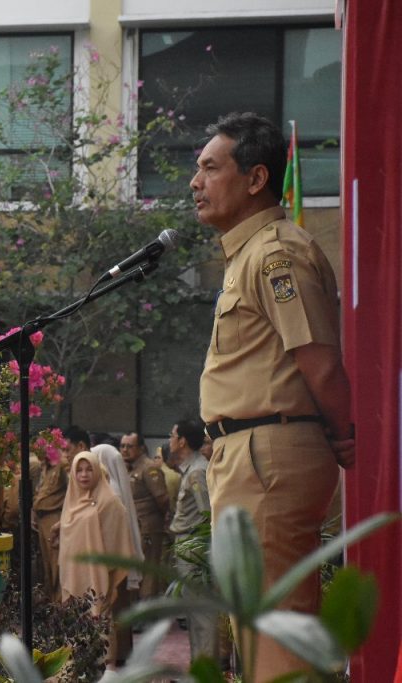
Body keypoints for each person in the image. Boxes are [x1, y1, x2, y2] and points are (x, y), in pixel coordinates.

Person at [194, 112, 354, 679]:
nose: (196, 182)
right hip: (250, 453)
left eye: (211, 168)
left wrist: (346, 438)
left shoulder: (274, 254)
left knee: (273, 628)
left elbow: (322, 363)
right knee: (258, 626)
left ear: (256, 178)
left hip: (269, 453)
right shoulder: (248, 254)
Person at [54, 451, 136, 668]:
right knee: (75, 619)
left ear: (98, 471)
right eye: (79, 470)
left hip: (98, 574)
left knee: (101, 619)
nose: (84, 475)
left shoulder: (109, 502)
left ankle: (108, 670)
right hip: (73, 573)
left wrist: (107, 573)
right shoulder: (71, 501)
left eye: (89, 469)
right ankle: (78, 667)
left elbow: (115, 539)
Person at [167, 418, 217, 661]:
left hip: (195, 547)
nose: (170, 440)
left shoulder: (197, 471)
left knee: (201, 613)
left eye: (172, 436)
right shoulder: (191, 469)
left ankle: (206, 668)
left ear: (183, 441)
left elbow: (207, 514)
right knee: (193, 611)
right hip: (188, 545)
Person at [93, 444, 145, 665]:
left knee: (109, 610)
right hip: (121, 558)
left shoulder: (108, 491)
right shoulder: (116, 489)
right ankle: (123, 654)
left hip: (108, 560)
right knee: (121, 609)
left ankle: (111, 657)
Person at [34, 425, 88, 602]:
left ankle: (59, 603)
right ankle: (52, 601)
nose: (40, 448)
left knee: (58, 564)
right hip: (42, 519)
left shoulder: (63, 464)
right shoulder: (45, 466)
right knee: (47, 566)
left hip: (55, 517)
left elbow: (72, 492)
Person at [119, 432, 169, 600]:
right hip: (133, 527)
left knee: (148, 570)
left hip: (147, 528)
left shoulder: (149, 468)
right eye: (122, 446)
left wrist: (156, 522)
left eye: (129, 446)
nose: (125, 450)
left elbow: (162, 499)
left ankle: (148, 615)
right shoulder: (126, 468)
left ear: (141, 448)